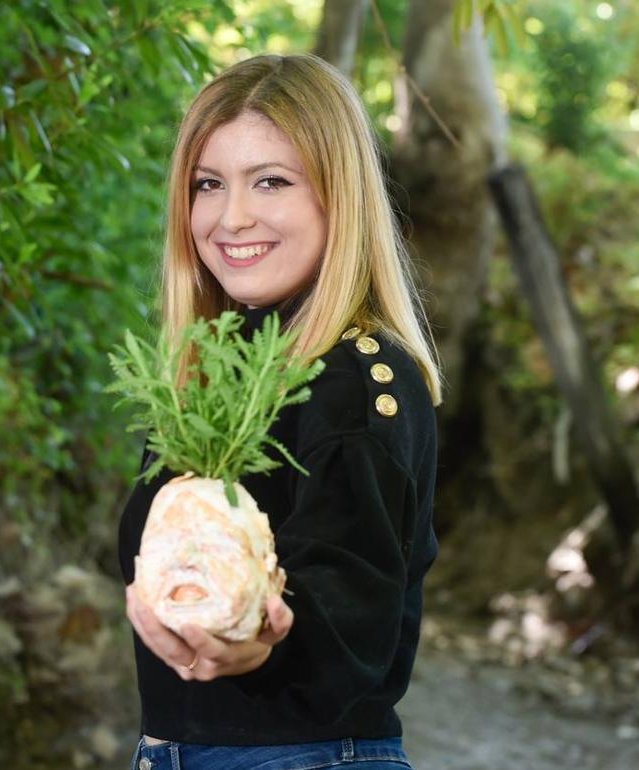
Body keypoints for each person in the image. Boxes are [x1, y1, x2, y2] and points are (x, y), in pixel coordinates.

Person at [116, 52, 442, 770]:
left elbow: (349, 605)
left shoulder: (361, 380)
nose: (231, 217)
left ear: (339, 196)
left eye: (271, 181)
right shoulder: (212, 384)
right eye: (208, 185)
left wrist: (257, 642)